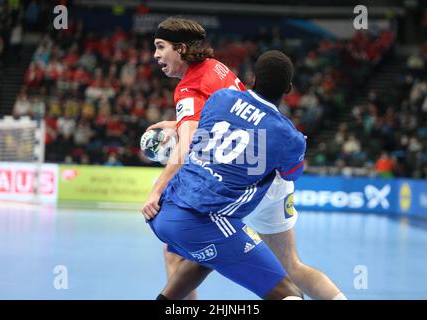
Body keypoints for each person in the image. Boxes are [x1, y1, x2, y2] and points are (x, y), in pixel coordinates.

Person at [142, 17, 346, 300]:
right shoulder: (217, 68)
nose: (155, 55)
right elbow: (227, 122)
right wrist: (177, 123)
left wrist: (158, 189)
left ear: (181, 48)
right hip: (268, 169)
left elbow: (190, 141)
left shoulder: (188, 88)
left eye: (160, 46)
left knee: (183, 244)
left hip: (242, 181)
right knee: (292, 266)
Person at [149, 50, 306, 299]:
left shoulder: (221, 98)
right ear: (288, 88)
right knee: (290, 294)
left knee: (205, 260)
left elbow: (196, 129)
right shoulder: (289, 137)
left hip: (164, 211)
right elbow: (290, 175)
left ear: (253, 79)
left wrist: (174, 125)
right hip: (203, 221)